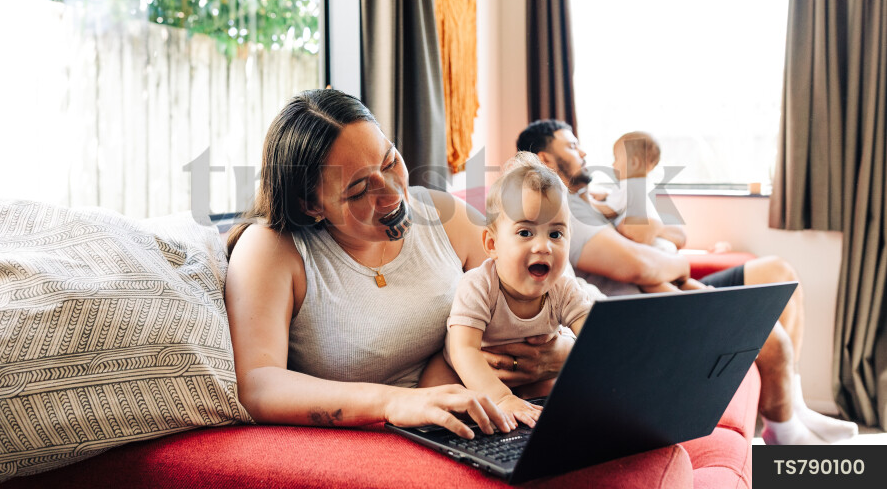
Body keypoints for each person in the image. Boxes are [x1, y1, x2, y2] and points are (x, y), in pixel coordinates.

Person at [223, 89, 573, 440]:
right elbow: (258, 384)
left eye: (390, 161)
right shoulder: (272, 248)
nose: (392, 195)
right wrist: (395, 402)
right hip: (385, 435)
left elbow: (553, 287)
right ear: (310, 205)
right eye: (359, 190)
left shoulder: (441, 215)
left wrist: (562, 351)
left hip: (489, 415)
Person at [517, 119, 859, 446]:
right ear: (545, 158)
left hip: (669, 284)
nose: (585, 153)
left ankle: (792, 404)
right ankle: (783, 426)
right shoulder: (560, 211)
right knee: (763, 328)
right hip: (651, 305)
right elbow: (639, 268)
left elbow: (678, 234)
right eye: (573, 145)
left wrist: (660, 239)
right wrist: (677, 264)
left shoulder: (600, 198)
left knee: (779, 273)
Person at [433, 153, 596, 428]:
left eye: (555, 234)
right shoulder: (479, 285)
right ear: (492, 244)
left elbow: (598, 340)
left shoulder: (563, 288)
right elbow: (464, 351)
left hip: (532, 375)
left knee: (553, 401)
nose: (543, 246)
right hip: (464, 370)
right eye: (525, 233)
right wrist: (501, 397)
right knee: (445, 401)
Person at [591, 130, 707, 293]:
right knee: (681, 282)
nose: (613, 165)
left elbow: (609, 210)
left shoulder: (627, 185)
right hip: (664, 246)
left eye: (616, 158)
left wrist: (588, 201)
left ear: (634, 163)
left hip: (650, 248)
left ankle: (680, 302)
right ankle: (707, 291)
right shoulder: (647, 184)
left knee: (651, 283)